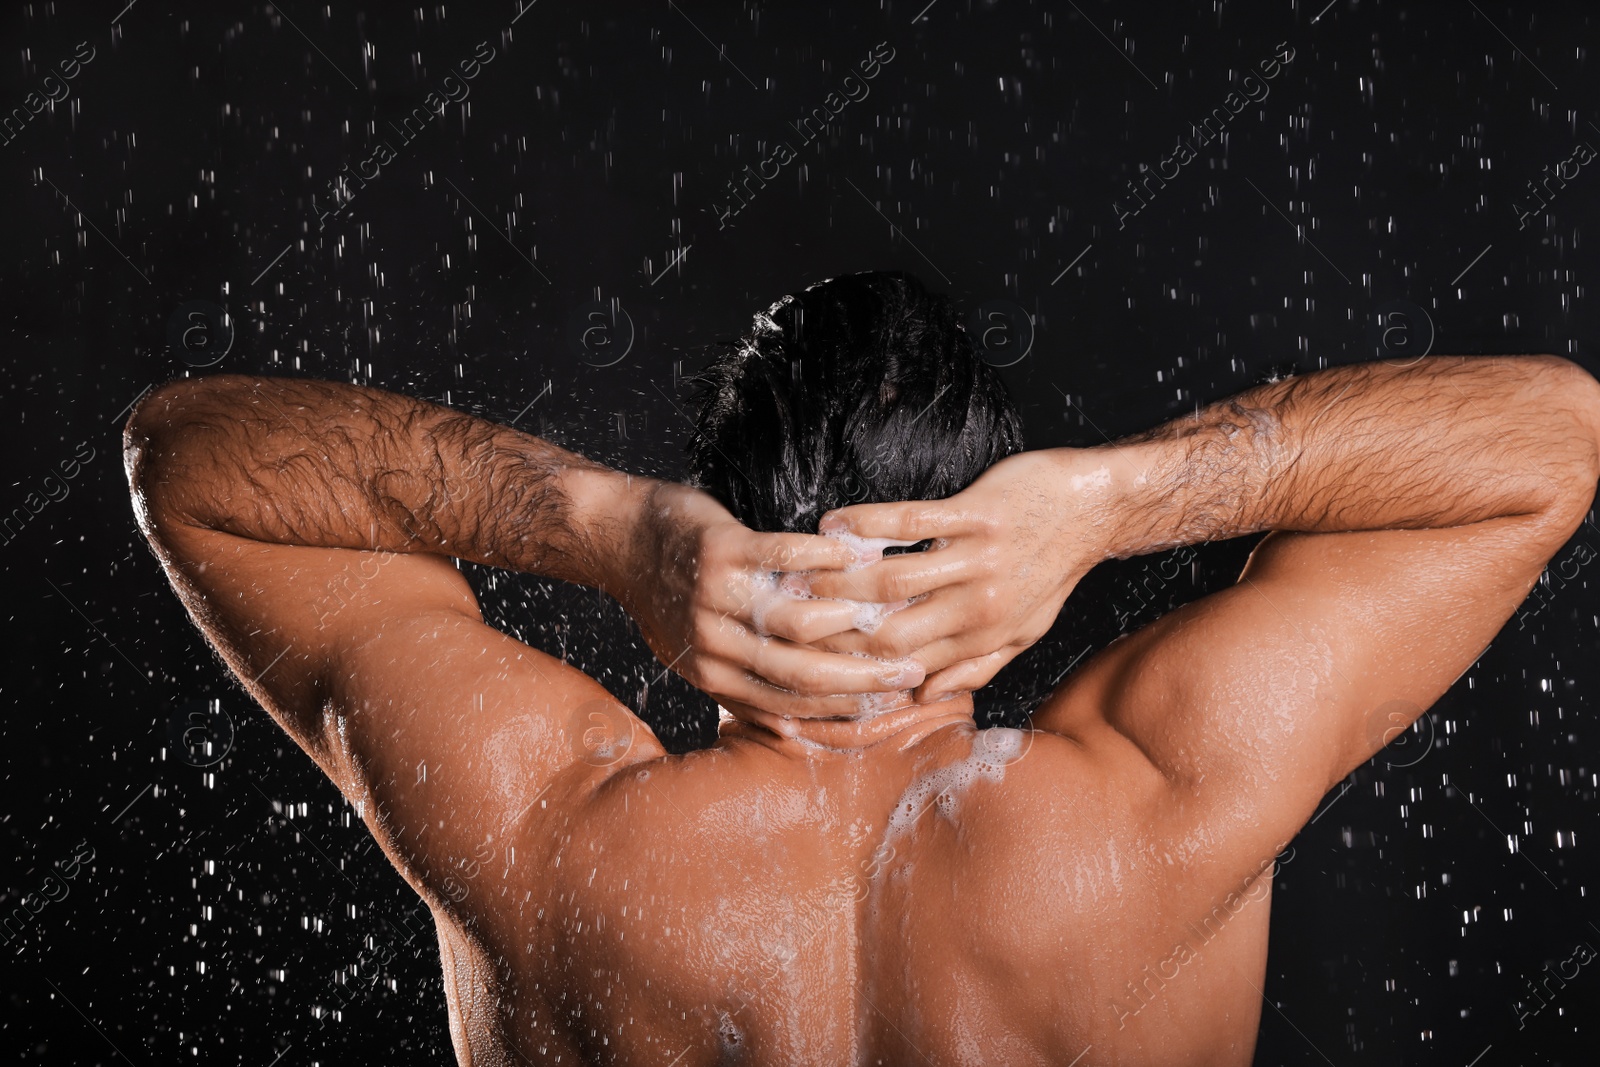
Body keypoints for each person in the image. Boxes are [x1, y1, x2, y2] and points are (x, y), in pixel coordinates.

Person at [124, 271, 1600, 1066]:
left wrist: (604, 528)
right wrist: (1111, 503)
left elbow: (185, 459)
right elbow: (1552, 440)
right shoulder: (1168, 795)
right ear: (986, 515)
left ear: (714, 516)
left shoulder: (549, 837)